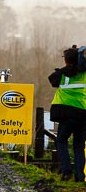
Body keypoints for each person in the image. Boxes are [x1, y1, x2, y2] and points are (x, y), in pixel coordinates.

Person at [48, 45, 86, 182]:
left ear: (66, 60)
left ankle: (66, 171)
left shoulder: (62, 74)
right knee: (79, 146)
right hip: (83, 113)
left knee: (61, 141)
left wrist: (68, 65)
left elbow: (52, 79)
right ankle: (80, 176)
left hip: (66, 113)